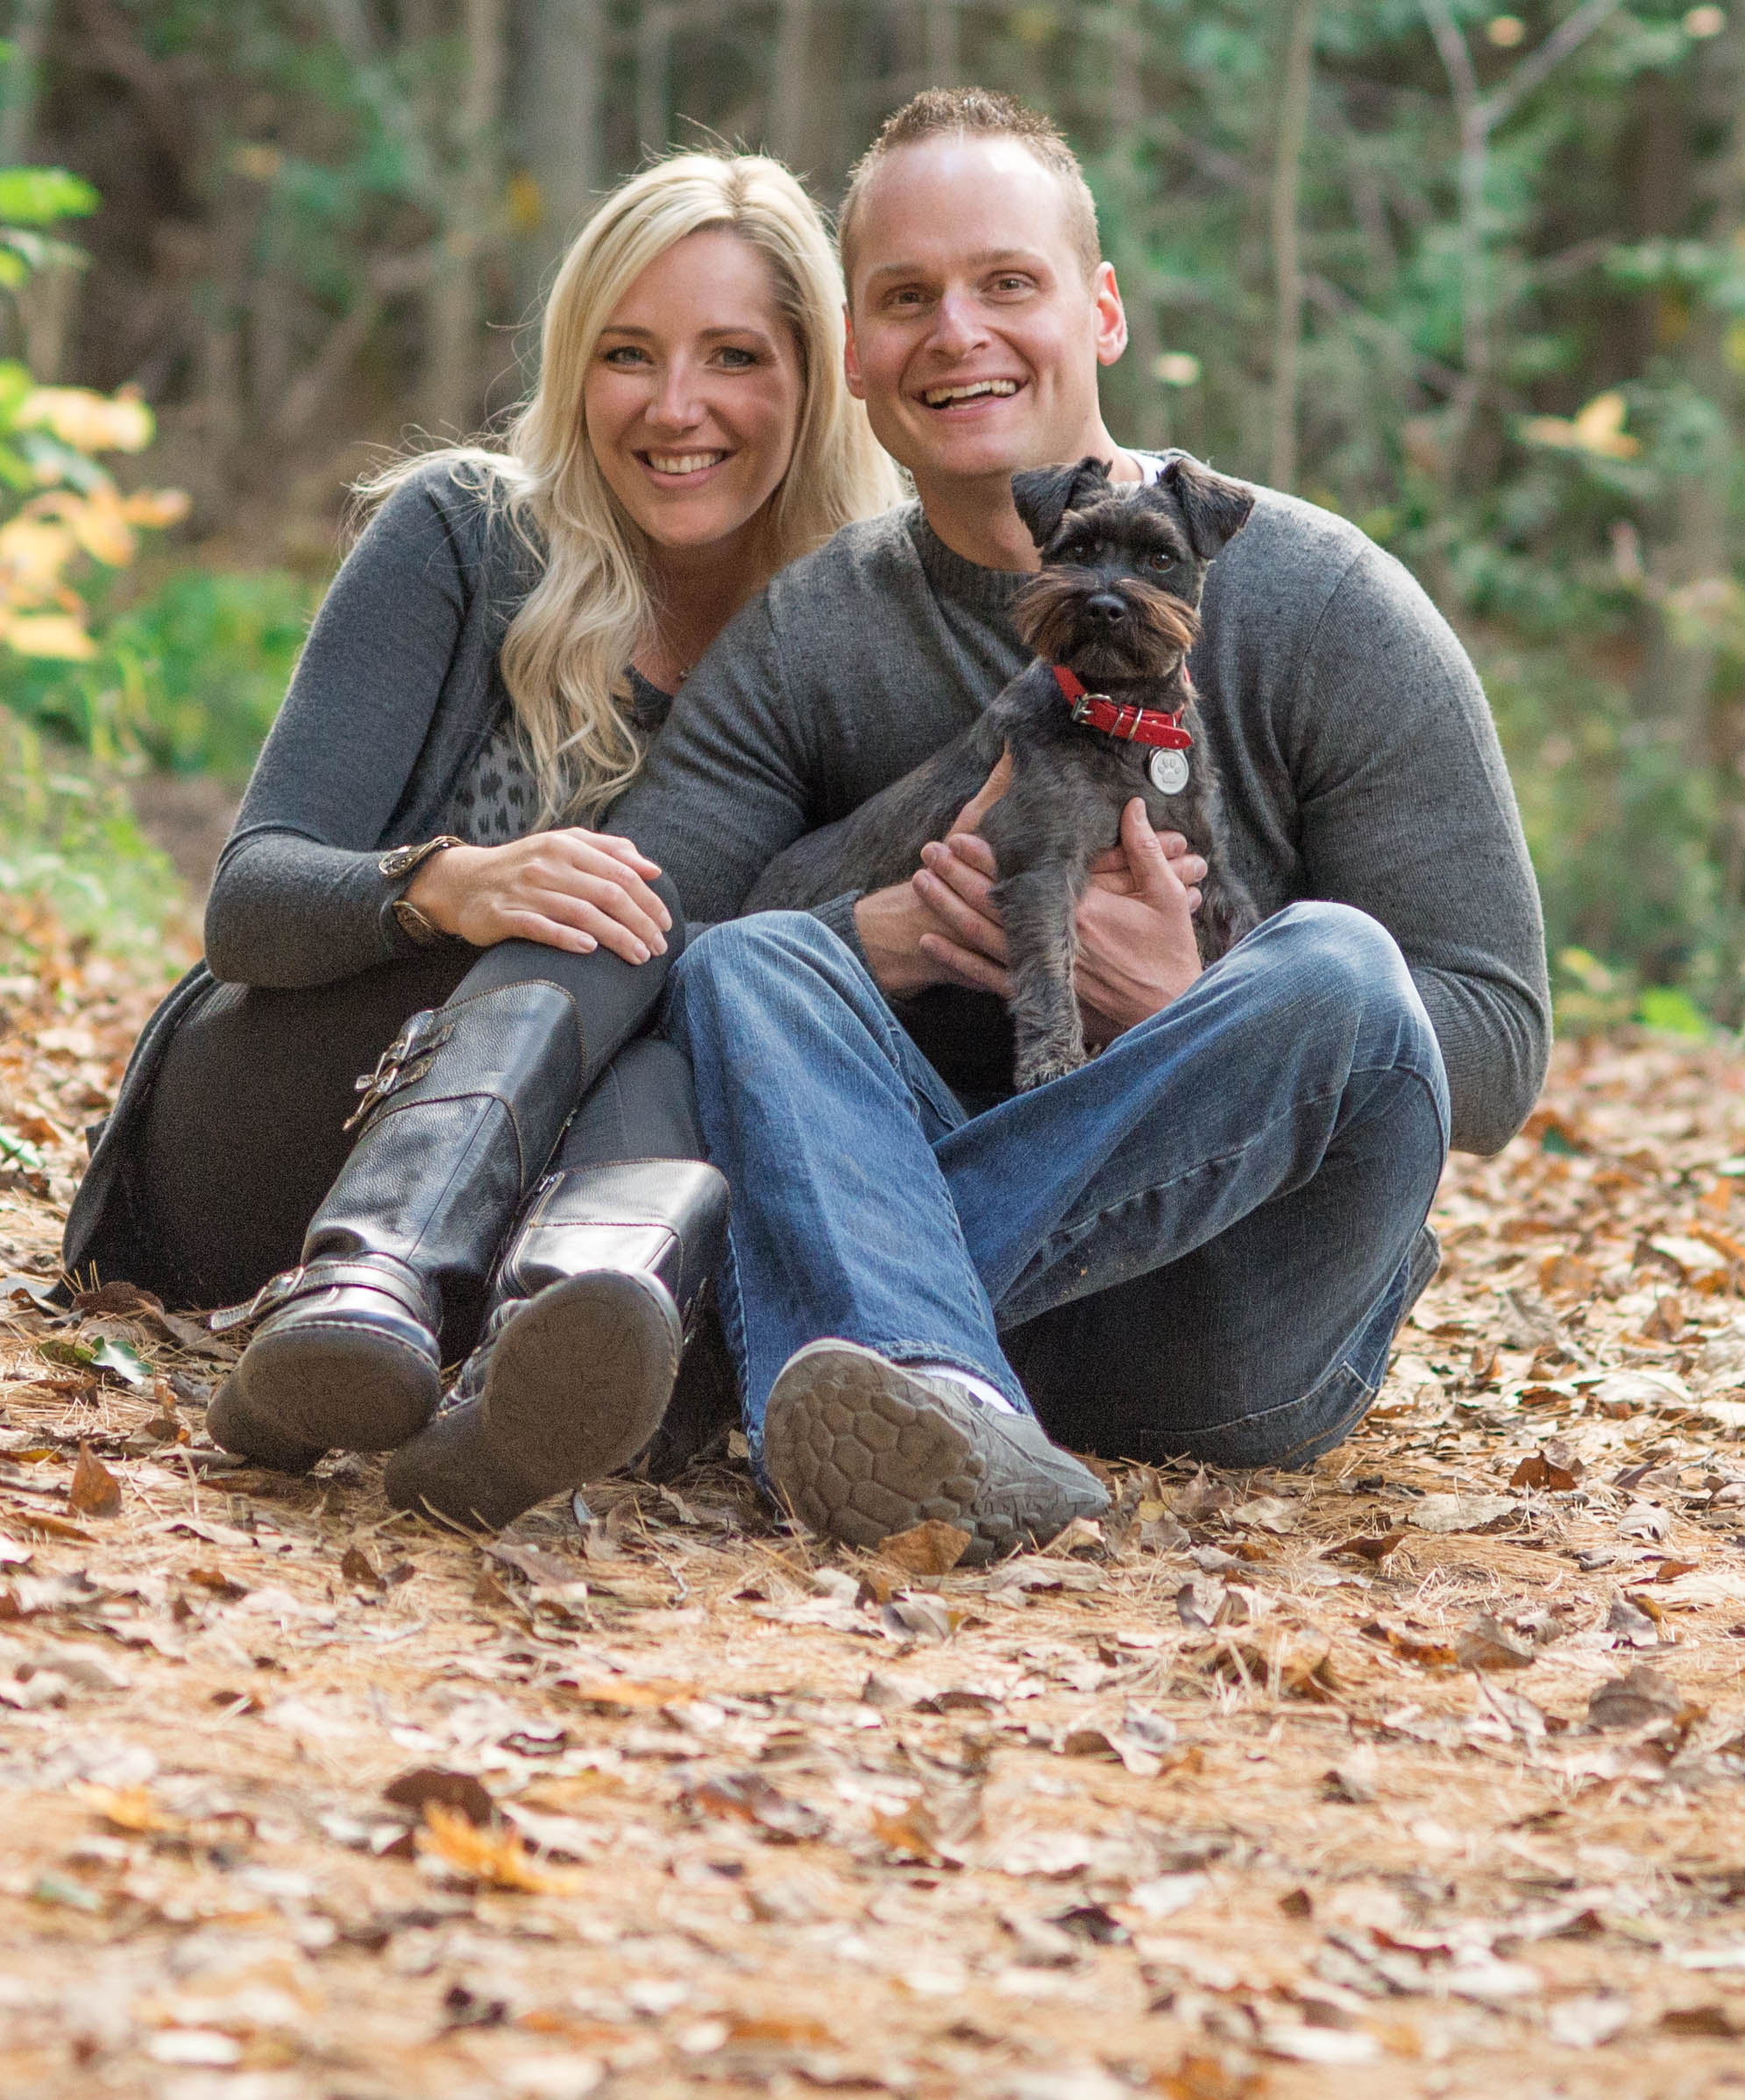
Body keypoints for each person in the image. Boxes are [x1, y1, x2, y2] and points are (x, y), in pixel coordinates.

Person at [605, 88, 1550, 1563]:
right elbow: (650, 942)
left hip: (1229, 1333)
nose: (958, 332)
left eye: (1008, 283)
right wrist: (885, 938)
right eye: (908, 297)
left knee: (1341, 969)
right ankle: (918, 1382)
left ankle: (784, 1333)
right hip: (936, 1355)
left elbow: (1494, 1045)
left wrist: (1194, 1010)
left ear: (1100, 310)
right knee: (750, 966)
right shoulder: (813, 632)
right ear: (854, 352)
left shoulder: (1327, 604)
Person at [56, 150, 898, 1522]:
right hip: (292, 1119)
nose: (676, 407)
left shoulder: (861, 639)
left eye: (733, 356)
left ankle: (524, 1393)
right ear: (575, 368)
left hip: (597, 1182)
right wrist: (457, 888)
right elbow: (251, 904)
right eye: (629, 353)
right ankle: (370, 1279)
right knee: (633, 918)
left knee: (701, 995)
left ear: (816, 378)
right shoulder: (467, 534)